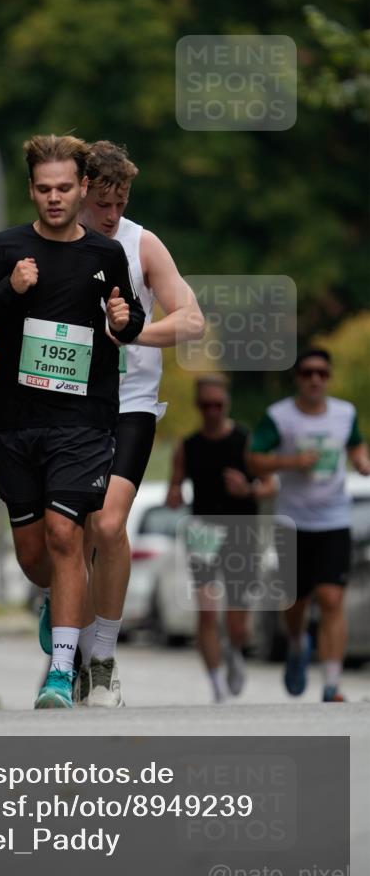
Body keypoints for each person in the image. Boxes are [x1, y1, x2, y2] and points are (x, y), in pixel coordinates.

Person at [0, 134, 145, 708]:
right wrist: (9, 292)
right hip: (15, 423)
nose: (54, 199)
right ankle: (53, 601)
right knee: (36, 556)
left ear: (83, 188)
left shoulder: (106, 255)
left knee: (67, 536)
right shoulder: (3, 249)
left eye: (65, 188)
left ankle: (63, 672)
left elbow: (127, 326)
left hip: (83, 421)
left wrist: (124, 316)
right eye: (44, 189)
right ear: (31, 189)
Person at [64, 140, 204, 707]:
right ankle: (68, 639)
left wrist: (133, 333)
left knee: (106, 526)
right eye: (102, 203)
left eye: (120, 203)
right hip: (68, 405)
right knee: (62, 538)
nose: (111, 215)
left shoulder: (141, 243)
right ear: (77, 193)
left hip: (130, 404)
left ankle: (102, 657)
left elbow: (191, 320)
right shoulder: (51, 243)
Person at [247, 348, 370, 702]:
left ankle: (332, 683)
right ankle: (298, 643)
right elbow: (255, 460)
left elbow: (357, 446)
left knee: (332, 599)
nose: (315, 379)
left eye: (322, 373)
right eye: (308, 373)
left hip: (334, 519)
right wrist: (292, 461)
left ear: (328, 377)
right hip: (293, 522)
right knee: (295, 603)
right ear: (298, 377)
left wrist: (361, 462)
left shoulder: (345, 413)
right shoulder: (280, 416)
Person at [167, 377, 276, 703]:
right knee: (207, 611)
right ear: (198, 407)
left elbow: (271, 484)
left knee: (237, 621)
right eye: (206, 405)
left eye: (218, 405)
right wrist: (174, 495)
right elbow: (174, 489)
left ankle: (235, 650)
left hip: (242, 530)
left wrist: (249, 489)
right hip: (203, 532)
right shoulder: (188, 446)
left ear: (226, 404)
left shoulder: (245, 441)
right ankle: (216, 684)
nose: (212, 411)